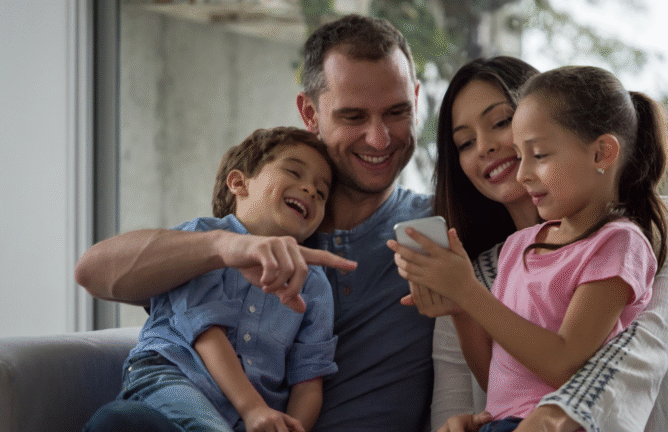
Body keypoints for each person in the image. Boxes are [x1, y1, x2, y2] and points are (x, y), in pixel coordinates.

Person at [76, 14, 433, 431]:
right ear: (310, 113)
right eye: (353, 116)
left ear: (416, 100)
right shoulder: (258, 221)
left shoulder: (437, 224)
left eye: (397, 111)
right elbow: (93, 272)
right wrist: (225, 247)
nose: (379, 138)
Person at [390, 61, 668, 432]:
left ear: (601, 153)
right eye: (465, 143)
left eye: (537, 154)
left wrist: (470, 294)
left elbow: (565, 363)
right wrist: (461, 308)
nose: (521, 172)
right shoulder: (515, 248)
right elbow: (501, 379)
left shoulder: (625, 240)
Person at [84, 127, 343, 432]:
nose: (310, 190)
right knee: (120, 421)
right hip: (173, 379)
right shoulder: (200, 241)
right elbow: (206, 333)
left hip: (246, 418)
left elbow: (309, 380)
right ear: (238, 183)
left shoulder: (315, 285)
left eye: (321, 192)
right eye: (294, 172)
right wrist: (253, 408)